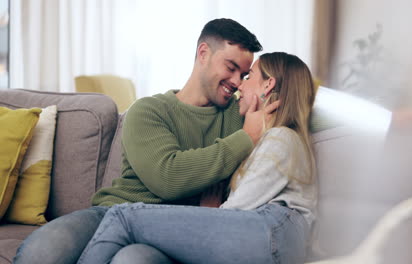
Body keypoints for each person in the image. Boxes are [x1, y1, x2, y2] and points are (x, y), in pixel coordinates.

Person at [14, 18, 277, 264]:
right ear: (204, 53)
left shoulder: (239, 116)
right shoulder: (149, 111)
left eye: (243, 75)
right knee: (42, 251)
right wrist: (245, 140)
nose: (235, 82)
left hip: (171, 229)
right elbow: (168, 177)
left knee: (132, 260)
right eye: (231, 68)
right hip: (113, 211)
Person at [77, 52, 317, 264]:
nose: (239, 87)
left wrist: (213, 212)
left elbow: (236, 211)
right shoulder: (268, 138)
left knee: (123, 216)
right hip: (262, 233)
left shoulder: (281, 138)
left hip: (272, 231)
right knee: (133, 255)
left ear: (268, 85)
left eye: (248, 76)